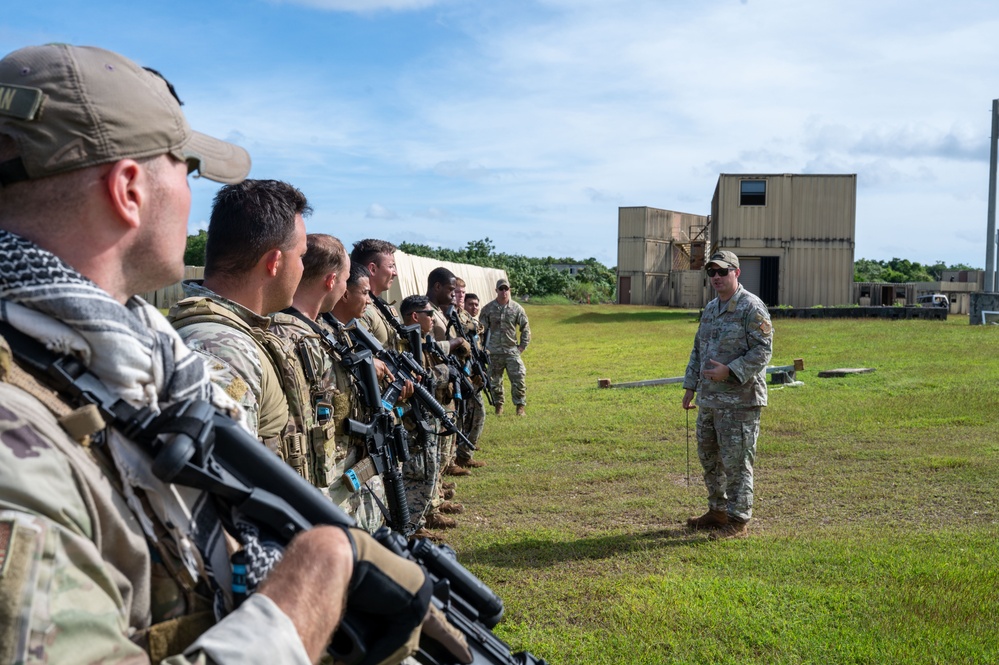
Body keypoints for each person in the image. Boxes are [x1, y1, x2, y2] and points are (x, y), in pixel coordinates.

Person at [0, 44, 426, 664]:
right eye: (188, 170)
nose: (193, 198)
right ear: (128, 190)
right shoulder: (18, 437)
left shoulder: (113, 364)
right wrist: (313, 580)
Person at [275, 234, 386, 533]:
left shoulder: (321, 332)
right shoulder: (288, 336)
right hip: (316, 490)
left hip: (336, 478)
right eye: (346, 280)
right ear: (331, 280)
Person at [682, 250, 773, 540]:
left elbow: (763, 350)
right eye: (712, 272)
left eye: (723, 271)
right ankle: (717, 511)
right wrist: (690, 386)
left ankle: (738, 519)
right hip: (710, 399)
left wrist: (730, 371)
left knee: (737, 462)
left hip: (740, 402)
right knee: (709, 458)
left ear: (737, 272)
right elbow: (699, 349)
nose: (717, 277)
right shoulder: (711, 308)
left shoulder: (751, 307)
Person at [480, 278, 531, 416]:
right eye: (501, 289)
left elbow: (525, 328)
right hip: (494, 351)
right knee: (494, 382)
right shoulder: (488, 309)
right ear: (496, 290)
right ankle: (498, 406)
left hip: (511, 351)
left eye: (506, 289)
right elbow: (481, 330)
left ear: (509, 290)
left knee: (519, 378)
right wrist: (483, 348)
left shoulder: (517, 308)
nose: (504, 292)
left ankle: (520, 407)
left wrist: (522, 346)